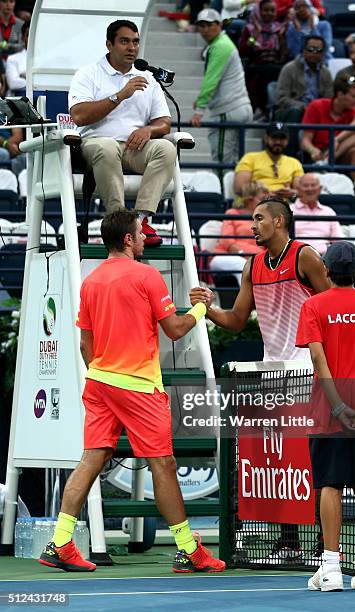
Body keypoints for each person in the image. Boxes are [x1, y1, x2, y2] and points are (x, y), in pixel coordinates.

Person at [38, 209, 226, 574]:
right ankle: (189, 549)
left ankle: (60, 542)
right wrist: (202, 308)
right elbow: (174, 329)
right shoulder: (147, 275)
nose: (145, 238)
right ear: (127, 239)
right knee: (164, 464)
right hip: (138, 386)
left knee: (91, 459)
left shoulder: (91, 282)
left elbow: (84, 344)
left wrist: (104, 373)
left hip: (99, 381)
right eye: (141, 233)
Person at [190, 196, 331, 561]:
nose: (252, 226)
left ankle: (324, 542)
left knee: (311, 460)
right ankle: (289, 541)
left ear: (280, 221)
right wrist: (207, 307)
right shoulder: (252, 266)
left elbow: (333, 305)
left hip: (306, 373)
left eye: (258, 219)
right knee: (281, 460)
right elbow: (237, 321)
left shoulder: (305, 257)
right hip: (271, 375)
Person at [296, 241, 355, 591]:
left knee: (331, 485)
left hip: (328, 413)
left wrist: (338, 407)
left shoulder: (313, 306)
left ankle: (331, 569)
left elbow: (319, 361)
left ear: (325, 271)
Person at [68, 20, 177, 247]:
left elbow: (165, 122)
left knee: (166, 148)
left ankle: (141, 220)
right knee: (106, 147)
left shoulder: (147, 76)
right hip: (95, 145)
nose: (132, 48)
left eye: (135, 42)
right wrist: (120, 95)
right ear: (109, 44)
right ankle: (119, 222)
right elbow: (79, 115)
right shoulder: (88, 73)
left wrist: (149, 129)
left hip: (133, 148)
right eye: (124, 41)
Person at [190, 9, 253, 168]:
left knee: (222, 161)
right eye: (201, 26)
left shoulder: (220, 46)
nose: (204, 29)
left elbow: (211, 80)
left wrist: (199, 111)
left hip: (228, 110)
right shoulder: (223, 43)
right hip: (239, 107)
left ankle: (224, 193)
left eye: (209, 25)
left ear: (219, 25)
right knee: (238, 163)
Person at [301, 74, 355, 181]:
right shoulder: (317, 106)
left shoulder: (353, 109)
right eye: (354, 96)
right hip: (318, 154)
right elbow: (305, 140)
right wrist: (312, 150)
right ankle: (324, 161)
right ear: (340, 94)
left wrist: (336, 139)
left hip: (339, 152)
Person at [275, 35, 332, 154]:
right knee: (296, 112)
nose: (314, 53)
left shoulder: (326, 73)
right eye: (311, 49)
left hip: (317, 112)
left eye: (318, 51)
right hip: (293, 111)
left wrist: (315, 109)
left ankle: (322, 155)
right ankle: (290, 155)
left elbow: (329, 99)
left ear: (323, 54)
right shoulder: (289, 69)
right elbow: (281, 98)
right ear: (303, 51)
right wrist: (303, 106)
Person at [210, 181, 269, 285]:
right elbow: (226, 241)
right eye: (262, 200)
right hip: (225, 256)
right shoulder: (232, 213)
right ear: (249, 199)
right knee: (244, 265)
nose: (266, 204)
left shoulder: (266, 219)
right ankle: (247, 301)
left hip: (256, 259)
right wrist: (243, 254)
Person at [238, 0, 288, 118]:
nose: (269, 13)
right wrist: (255, 35)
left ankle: (272, 111)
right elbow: (243, 51)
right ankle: (260, 109)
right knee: (261, 75)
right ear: (259, 11)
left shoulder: (279, 29)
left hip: (274, 64)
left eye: (272, 11)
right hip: (256, 64)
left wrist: (280, 37)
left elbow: (284, 54)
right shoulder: (250, 28)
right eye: (265, 10)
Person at [234, 122, 304, 197]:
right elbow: (239, 188)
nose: (278, 142)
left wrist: (292, 193)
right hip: (256, 204)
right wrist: (265, 194)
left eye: (282, 138)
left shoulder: (294, 163)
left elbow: (301, 191)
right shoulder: (250, 158)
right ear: (266, 138)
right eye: (274, 138)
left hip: (285, 205)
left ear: (287, 140)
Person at [291, 173, 343, 255]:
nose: (310, 189)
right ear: (298, 189)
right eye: (306, 185)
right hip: (296, 258)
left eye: (313, 185)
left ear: (320, 189)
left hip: (324, 260)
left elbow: (338, 241)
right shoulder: (288, 210)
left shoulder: (329, 212)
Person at [5, 18, 28, 95]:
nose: (31, 39)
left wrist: (25, 78)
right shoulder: (13, 59)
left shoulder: (47, 59)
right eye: (28, 35)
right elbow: (13, 83)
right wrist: (37, 81)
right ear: (23, 38)